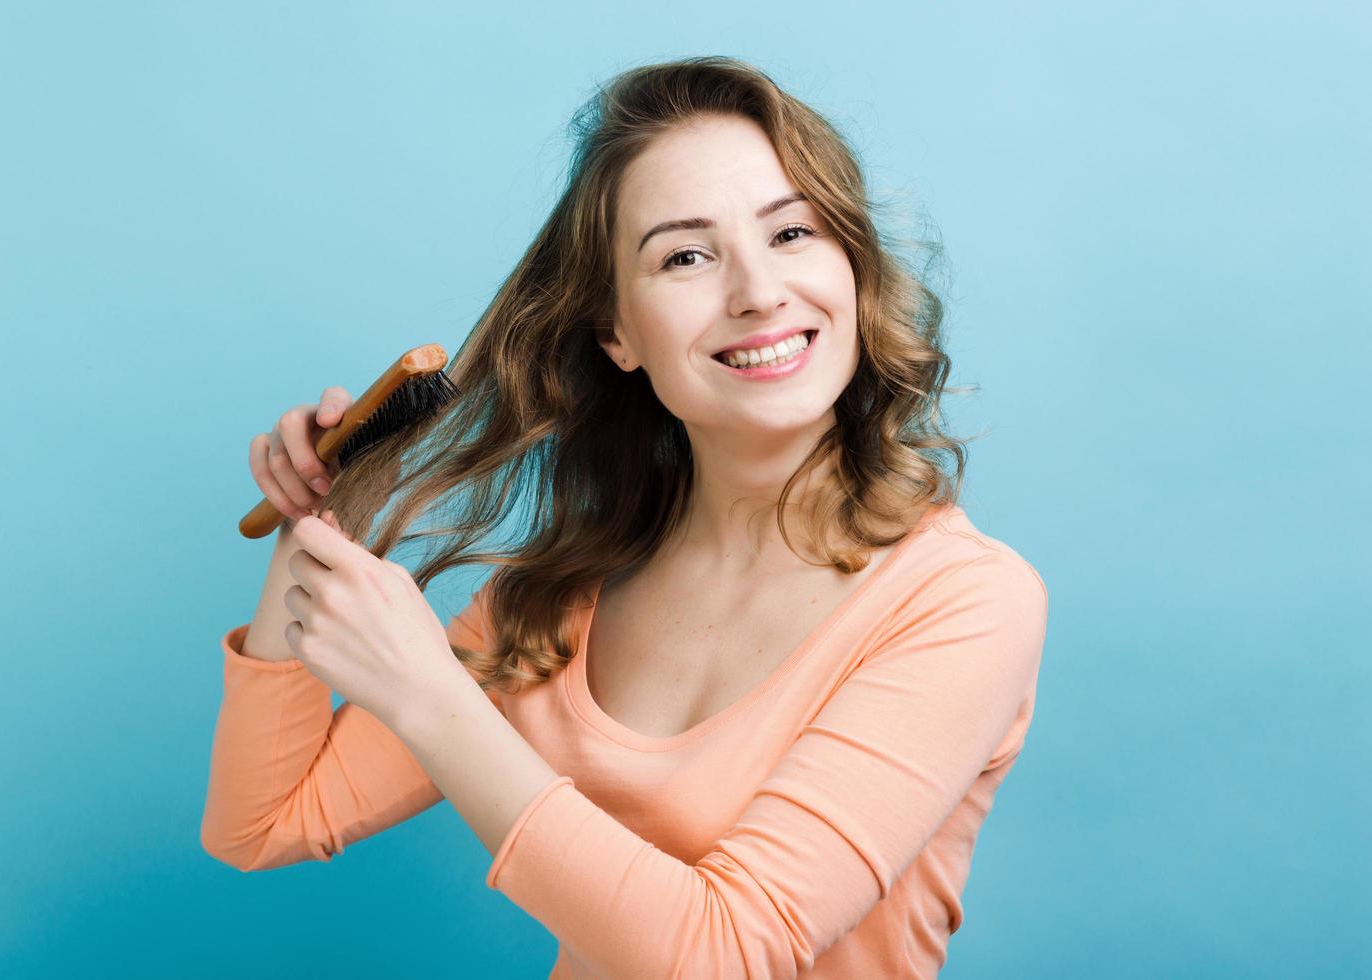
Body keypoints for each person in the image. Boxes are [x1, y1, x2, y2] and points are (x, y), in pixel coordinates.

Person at [200, 56, 1050, 978]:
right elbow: (262, 822)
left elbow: (726, 952)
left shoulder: (964, 602)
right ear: (617, 332)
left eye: (792, 233)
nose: (757, 292)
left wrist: (432, 699)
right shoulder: (564, 597)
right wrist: (316, 524)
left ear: (852, 269)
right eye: (685, 255)